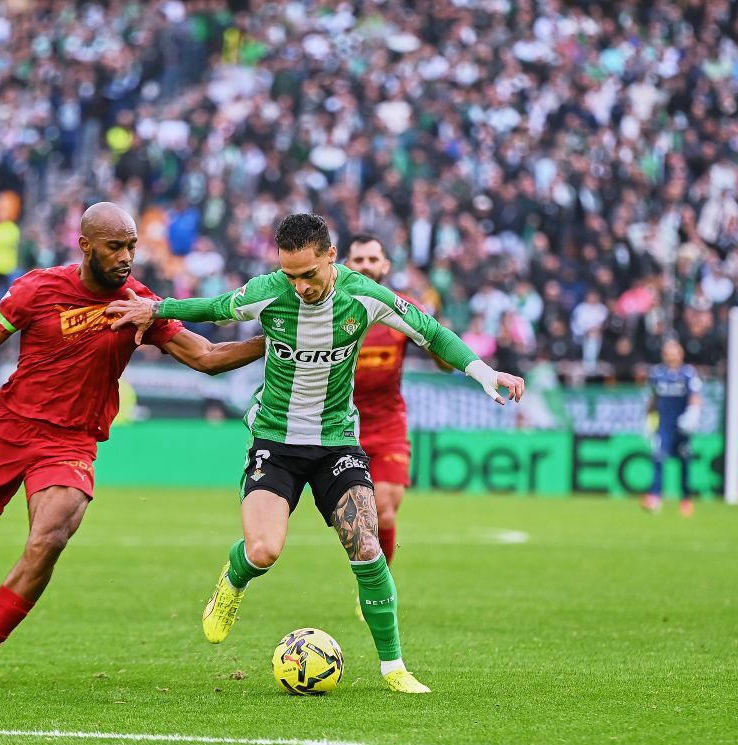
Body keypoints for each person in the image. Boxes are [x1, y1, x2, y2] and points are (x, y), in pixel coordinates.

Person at [0, 202, 265, 685]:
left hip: (70, 443)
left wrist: (272, 338)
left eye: (132, 246)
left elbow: (206, 356)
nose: (126, 257)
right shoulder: (38, 288)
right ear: (85, 246)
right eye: (115, 246)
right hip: (6, 429)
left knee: (49, 539)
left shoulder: (140, 303)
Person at [108, 213, 524, 694]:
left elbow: (432, 333)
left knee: (367, 548)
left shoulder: (364, 296)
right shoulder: (269, 291)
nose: (300, 285)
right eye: (290, 275)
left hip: (336, 444)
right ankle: (234, 579)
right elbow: (212, 306)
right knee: (264, 550)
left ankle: (394, 668)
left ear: (331, 256)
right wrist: (155, 311)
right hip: (276, 442)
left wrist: (485, 373)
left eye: (308, 274)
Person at [346, 234, 450, 565]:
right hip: (341, 424)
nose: (365, 266)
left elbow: (443, 357)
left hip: (388, 423)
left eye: (372, 259)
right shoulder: (328, 309)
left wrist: (441, 348)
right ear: (346, 264)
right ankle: (369, 572)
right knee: (355, 520)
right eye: (359, 259)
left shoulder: (401, 309)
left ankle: (379, 591)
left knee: (384, 512)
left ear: (385, 266)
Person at [643, 339, 703, 516]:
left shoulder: (688, 374)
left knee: (684, 461)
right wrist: (647, 418)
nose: (670, 355)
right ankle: (655, 496)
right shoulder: (657, 374)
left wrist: (693, 413)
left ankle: (686, 499)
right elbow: (653, 398)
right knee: (658, 458)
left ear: (681, 354)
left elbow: (696, 396)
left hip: (683, 425)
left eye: (674, 352)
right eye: (668, 352)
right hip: (664, 425)